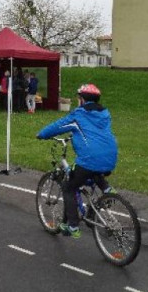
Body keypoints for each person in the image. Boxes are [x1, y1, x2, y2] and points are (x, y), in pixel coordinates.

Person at [36, 84, 118, 238]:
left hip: (90, 159)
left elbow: (58, 126)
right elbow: (94, 134)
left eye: (78, 98)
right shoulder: (105, 114)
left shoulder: (78, 115)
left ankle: (73, 226)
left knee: (69, 187)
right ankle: (107, 189)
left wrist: (42, 134)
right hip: (110, 157)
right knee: (91, 171)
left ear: (82, 99)